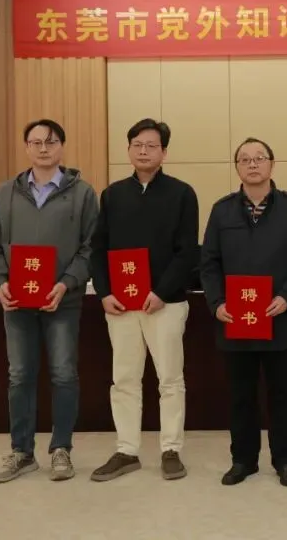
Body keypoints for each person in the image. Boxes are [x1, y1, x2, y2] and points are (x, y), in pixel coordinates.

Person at [0, 119, 98, 484]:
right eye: (36, 142)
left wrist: (66, 283)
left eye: (51, 141)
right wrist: (0, 282)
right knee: (20, 375)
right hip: (17, 302)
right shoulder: (6, 193)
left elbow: (91, 246)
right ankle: (22, 452)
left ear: (62, 146)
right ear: (27, 147)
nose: (43, 148)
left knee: (63, 373)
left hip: (63, 300)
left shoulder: (83, 193)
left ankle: (61, 448)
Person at [200, 137, 287, 488]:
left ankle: (285, 460)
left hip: (280, 318)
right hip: (235, 320)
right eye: (245, 159)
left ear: (271, 164)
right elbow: (209, 264)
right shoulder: (222, 211)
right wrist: (217, 303)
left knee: (283, 394)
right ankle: (243, 460)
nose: (253, 164)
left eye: (260, 158)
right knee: (241, 396)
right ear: (237, 167)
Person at [89, 119, 200, 483]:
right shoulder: (113, 195)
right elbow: (99, 248)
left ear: (164, 152)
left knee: (170, 379)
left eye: (151, 145)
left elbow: (187, 251)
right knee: (124, 378)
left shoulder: (182, 194)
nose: (143, 151)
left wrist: (162, 292)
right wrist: (104, 292)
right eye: (137, 144)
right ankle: (127, 450)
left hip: (165, 303)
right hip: (121, 304)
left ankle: (171, 449)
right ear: (128, 150)